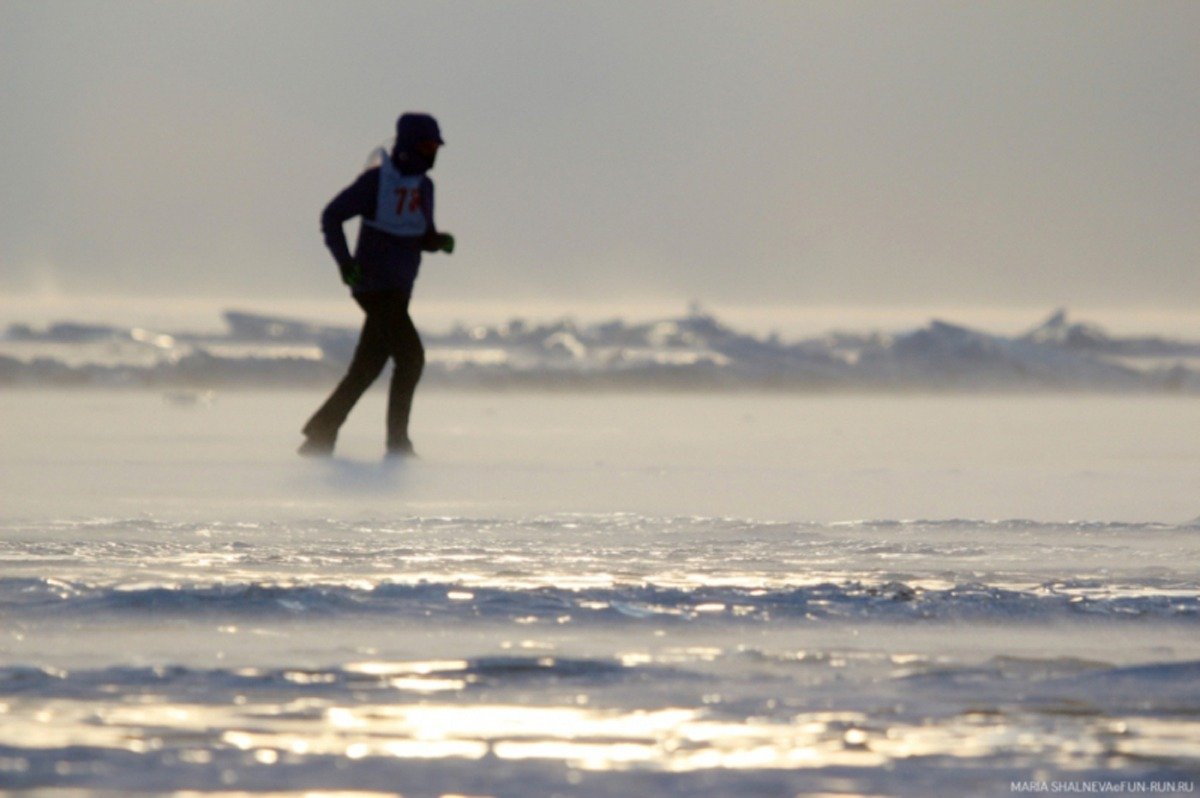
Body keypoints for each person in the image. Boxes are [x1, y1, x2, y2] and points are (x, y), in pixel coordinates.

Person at [299, 112, 454, 458]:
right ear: (411, 147)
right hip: (374, 288)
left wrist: (438, 241)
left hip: (399, 290)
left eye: (436, 146)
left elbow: (419, 236)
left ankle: (321, 433)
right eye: (427, 146)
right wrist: (345, 263)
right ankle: (398, 444)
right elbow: (332, 216)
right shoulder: (376, 183)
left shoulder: (424, 188)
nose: (433, 153)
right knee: (411, 358)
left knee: (367, 368)